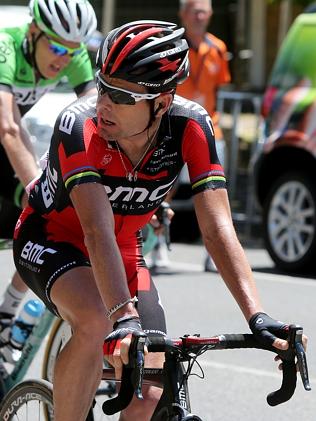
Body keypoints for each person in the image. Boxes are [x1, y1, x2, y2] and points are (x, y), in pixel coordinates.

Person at [13, 20, 300, 421]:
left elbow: (217, 229)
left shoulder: (191, 126)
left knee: (151, 387)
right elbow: (95, 233)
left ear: (161, 103)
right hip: (53, 240)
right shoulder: (78, 126)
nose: (103, 103)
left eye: (120, 95)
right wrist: (124, 318)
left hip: (124, 250)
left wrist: (257, 315)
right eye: (102, 86)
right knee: (98, 319)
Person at [0, 0, 97, 334]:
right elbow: (9, 128)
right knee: (39, 200)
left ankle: (6, 316)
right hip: (6, 133)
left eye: (71, 51)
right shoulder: (6, 47)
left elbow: (98, 121)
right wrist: (36, 189)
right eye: (56, 46)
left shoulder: (72, 55)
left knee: (43, 221)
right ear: (33, 31)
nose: (63, 57)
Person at [175, 0, 231, 272]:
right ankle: (156, 242)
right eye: (194, 11)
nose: (199, 16)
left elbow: (218, 91)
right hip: (176, 127)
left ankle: (214, 253)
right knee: (165, 186)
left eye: (204, 11)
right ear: (183, 14)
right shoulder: (173, 45)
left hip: (209, 127)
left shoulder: (218, 48)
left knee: (213, 191)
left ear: (210, 14)